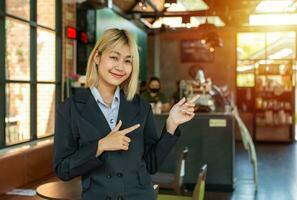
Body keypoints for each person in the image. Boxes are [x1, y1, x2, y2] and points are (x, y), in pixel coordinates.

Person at [54, 28, 199, 200]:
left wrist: (172, 124)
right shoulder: (70, 109)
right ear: (97, 57)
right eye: (114, 57)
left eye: (127, 61)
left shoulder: (141, 107)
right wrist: (100, 145)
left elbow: (151, 164)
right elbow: (63, 169)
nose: (120, 67)